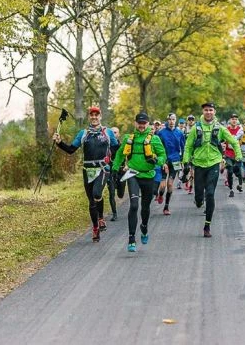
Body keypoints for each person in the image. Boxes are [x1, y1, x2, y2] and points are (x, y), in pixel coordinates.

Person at [53, 106, 118, 243]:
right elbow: (71, 150)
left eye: (97, 115)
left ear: (100, 116)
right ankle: (95, 228)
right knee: (91, 202)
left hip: (103, 168)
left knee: (96, 194)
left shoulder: (108, 132)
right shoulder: (83, 133)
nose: (94, 117)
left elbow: (116, 147)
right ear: (89, 117)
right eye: (92, 115)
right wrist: (59, 143)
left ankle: (101, 217)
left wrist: (111, 158)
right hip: (87, 170)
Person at [183, 102, 242, 238]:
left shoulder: (220, 128)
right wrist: (186, 162)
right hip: (198, 164)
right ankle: (198, 201)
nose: (208, 112)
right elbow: (188, 146)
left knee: (210, 193)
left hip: (214, 164)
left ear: (214, 112)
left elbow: (233, 142)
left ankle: (207, 225)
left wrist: (238, 157)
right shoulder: (195, 128)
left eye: (211, 110)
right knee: (199, 196)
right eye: (206, 110)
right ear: (203, 112)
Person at [112, 112, 167, 252]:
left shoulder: (154, 139)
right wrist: (114, 168)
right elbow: (119, 154)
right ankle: (131, 239)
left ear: (148, 124)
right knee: (134, 205)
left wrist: (157, 161)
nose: (141, 125)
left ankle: (144, 227)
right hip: (133, 174)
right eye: (139, 123)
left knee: (145, 207)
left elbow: (162, 156)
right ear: (135, 123)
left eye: (144, 123)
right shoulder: (128, 138)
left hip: (148, 176)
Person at [156, 113, 186, 215]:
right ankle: (160, 195)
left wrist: (183, 161)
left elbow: (184, 147)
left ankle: (166, 207)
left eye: (173, 119)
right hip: (164, 161)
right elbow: (156, 147)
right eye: (170, 119)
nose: (172, 121)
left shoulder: (180, 133)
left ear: (176, 120)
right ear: (167, 120)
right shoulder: (161, 133)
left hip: (176, 161)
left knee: (170, 184)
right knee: (163, 186)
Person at [107, 126, 125, 221]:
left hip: (121, 171)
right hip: (110, 172)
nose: (113, 134)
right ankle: (114, 214)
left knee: (121, 195)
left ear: (118, 134)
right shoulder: (106, 146)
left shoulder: (122, 145)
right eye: (112, 132)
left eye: (115, 132)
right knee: (111, 193)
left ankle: (121, 192)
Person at [224, 113, 244, 197]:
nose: (234, 120)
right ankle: (231, 189)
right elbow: (223, 140)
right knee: (230, 171)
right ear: (230, 120)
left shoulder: (240, 130)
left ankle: (240, 185)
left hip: (237, 154)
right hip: (228, 153)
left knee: (238, 170)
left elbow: (240, 138)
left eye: (236, 119)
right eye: (233, 119)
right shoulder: (226, 129)